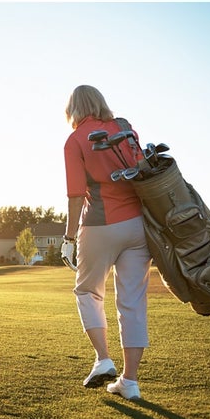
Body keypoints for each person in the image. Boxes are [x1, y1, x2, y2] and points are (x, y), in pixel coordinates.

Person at [61, 84, 151, 401]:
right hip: (139, 225)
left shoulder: (74, 140)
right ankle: (130, 381)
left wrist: (69, 237)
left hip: (100, 224)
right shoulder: (124, 129)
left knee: (87, 291)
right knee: (133, 303)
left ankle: (103, 359)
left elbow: (75, 195)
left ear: (73, 109)